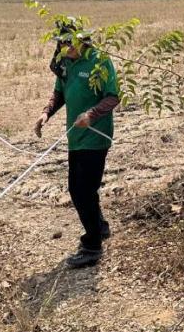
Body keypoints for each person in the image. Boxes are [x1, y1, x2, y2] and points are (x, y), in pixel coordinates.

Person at [34, 19, 120, 268]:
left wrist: (91, 114)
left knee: (81, 191)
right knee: (83, 189)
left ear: (82, 39)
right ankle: (100, 227)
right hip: (75, 138)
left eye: (69, 42)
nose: (65, 47)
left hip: (96, 136)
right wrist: (46, 113)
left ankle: (92, 246)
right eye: (61, 43)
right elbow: (59, 92)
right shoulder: (66, 63)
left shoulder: (99, 61)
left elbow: (113, 96)